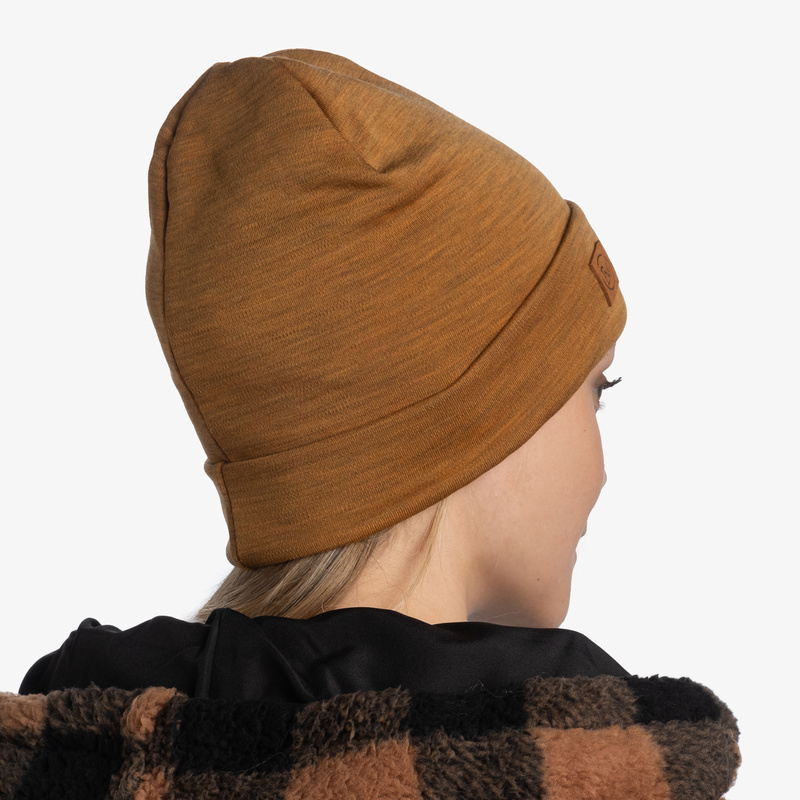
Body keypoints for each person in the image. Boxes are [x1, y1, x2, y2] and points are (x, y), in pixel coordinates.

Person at [0, 50, 739, 799]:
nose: (604, 469)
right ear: (476, 420)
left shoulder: (69, 752)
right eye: (596, 389)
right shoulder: (593, 765)